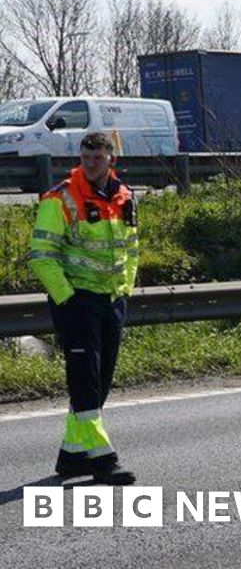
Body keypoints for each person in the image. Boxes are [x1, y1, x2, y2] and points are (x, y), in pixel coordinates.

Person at [28, 132, 139, 485]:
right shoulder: (60, 198)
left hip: (111, 299)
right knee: (85, 379)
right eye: (86, 157)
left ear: (111, 160)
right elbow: (42, 257)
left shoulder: (124, 197)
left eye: (98, 157)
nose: (91, 163)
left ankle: (73, 455)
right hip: (76, 300)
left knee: (102, 378)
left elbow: (131, 248)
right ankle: (103, 458)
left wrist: (126, 290)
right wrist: (68, 298)